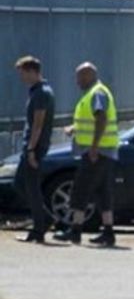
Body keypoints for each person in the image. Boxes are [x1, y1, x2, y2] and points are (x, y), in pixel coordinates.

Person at [54, 62, 120, 247]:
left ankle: (74, 231)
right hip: (106, 152)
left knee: (80, 190)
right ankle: (108, 232)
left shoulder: (97, 93)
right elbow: (93, 119)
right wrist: (74, 128)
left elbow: (101, 118)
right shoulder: (96, 92)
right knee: (102, 192)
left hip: (96, 152)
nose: (77, 81)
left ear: (89, 75)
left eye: (80, 77)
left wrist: (93, 147)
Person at [12, 56, 55, 244]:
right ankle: (43, 219)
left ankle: (40, 227)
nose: (21, 78)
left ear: (32, 71)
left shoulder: (41, 93)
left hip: (35, 147)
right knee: (24, 184)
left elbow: (38, 124)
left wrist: (31, 150)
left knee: (29, 186)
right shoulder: (37, 91)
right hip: (33, 145)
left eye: (22, 73)